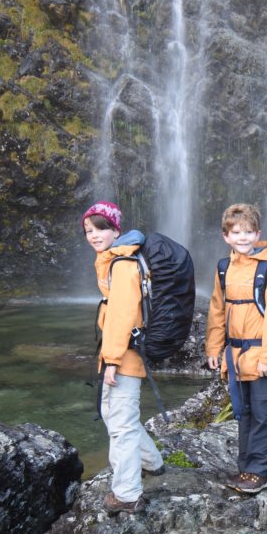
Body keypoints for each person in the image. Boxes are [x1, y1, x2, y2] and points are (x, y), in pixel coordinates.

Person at [82, 201, 165, 515]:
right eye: (89, 230)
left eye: (101, 228)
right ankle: (152, 462)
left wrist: (113, 360)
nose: (94, 235)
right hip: (120, 350)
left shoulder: (124, 264)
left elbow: (122, 316)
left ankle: (127, 494)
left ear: (116, 229)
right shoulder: (116, 260)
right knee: (114, 414)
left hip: (125, 353)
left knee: (120, 425)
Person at [205, 203, 267, 494]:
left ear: (258, 234)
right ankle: (245, 468)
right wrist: (214, 348)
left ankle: (261, 471)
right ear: (226, 236)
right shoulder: (223, 269)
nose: (243, 237)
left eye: (248, 232)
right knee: (244, 413)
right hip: (236, 357)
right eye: (236, 232)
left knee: (263, 414)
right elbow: (217, 310)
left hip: (262, 356)